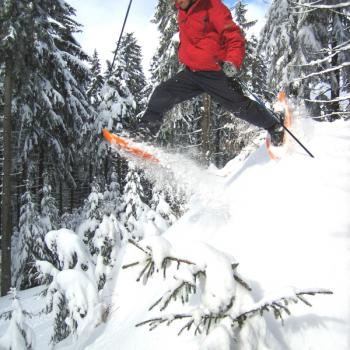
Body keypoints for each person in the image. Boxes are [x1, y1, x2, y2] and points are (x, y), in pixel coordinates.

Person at [136, 0, 284, 146]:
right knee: (162, 93)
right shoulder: (182, 11)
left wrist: (232, 61)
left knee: (239, 107)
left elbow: (234, 36)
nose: (177, 2)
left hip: (214, 73)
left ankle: (273, 124)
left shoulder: (212, 6)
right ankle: (145, 135)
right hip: (192, 73)